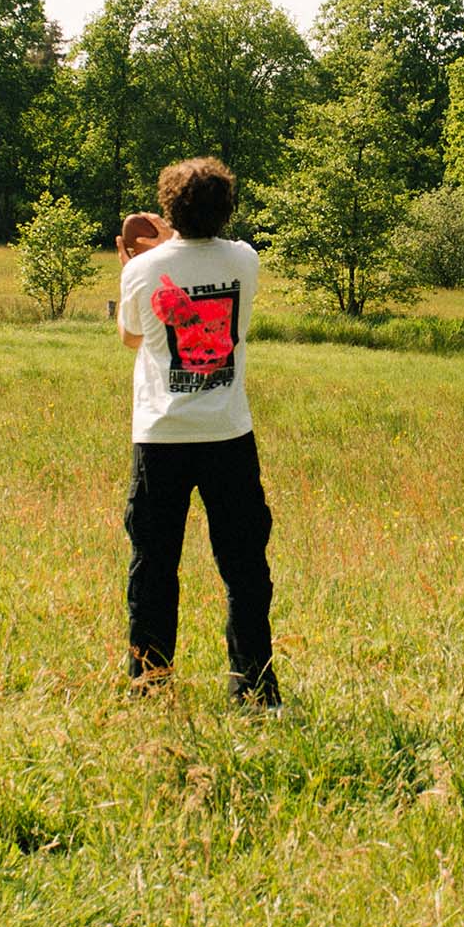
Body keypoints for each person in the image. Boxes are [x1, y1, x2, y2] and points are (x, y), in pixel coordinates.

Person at [114, 158, 277, 705]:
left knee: (154, 566)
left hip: (161, 436)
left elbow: (131, 338)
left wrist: (148, 254)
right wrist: (173, 241)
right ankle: (255, 689)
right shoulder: (245, 260)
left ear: (168, 207)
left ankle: (150, 685)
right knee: (245, 566)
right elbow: (205, 252)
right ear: (227, 208)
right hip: (228, 434)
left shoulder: (142, 271)